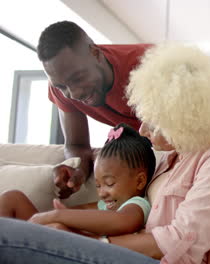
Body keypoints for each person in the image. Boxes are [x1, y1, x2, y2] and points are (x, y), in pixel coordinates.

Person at [0, 44, 210, 264]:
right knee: (26, 216)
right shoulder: (168, 158)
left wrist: (95, 241)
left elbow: (180, 240)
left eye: (152, 122)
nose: (142, 130)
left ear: (181, 119)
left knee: (8, 234)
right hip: (126, 248)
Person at [37, 20, 152, 199]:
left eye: (78, 78)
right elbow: (77, 145)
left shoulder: (148, 64)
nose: (74, 94)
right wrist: (77, 170)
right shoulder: (59, 88)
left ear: (95, 53)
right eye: (62, 86)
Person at [0, 123, 155, 238]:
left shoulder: (137, 204)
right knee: (12, 198)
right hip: (72, 240)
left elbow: (123, 221)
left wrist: (57, 216)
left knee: (57, 227)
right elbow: (81, 211)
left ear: (140, 181)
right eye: (98, 185)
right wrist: (65, 214)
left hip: (90, 251)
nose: (101, 193)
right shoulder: (105, 205)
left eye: (109, 184)